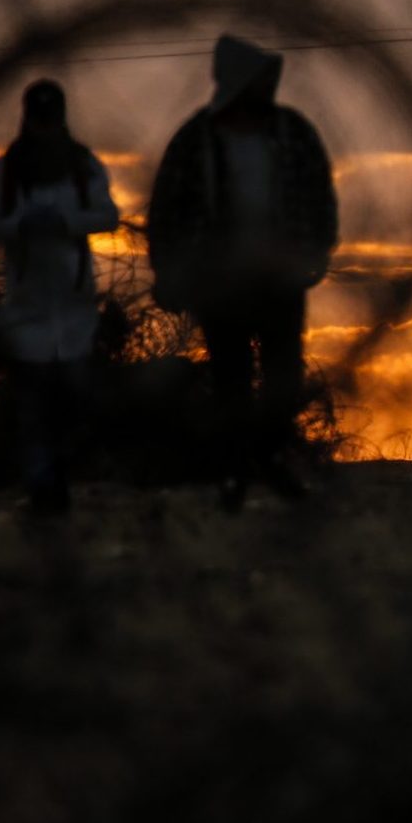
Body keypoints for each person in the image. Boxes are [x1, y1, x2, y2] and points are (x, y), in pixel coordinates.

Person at [148, 34, 338, 509]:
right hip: (220, 282)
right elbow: (168, 209)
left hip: (280, 278)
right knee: (231, 378)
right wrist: (171, 272)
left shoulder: (293, 132)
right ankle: (235, 471)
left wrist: (313, 256)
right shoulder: (196, 139)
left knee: (283, 378)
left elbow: (319, 195)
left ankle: (270, 460)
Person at [0, 79, 121, 515]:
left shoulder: (83, 165)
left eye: (51, 121)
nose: (45, 130)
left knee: (76, 400)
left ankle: (69, 480)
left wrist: (67, 222)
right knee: (32, 405)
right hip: (27, 309)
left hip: (75, 309)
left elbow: (108, 215)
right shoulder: (6, 171)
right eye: (39, 121)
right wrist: (20, 224)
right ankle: (43, 489)